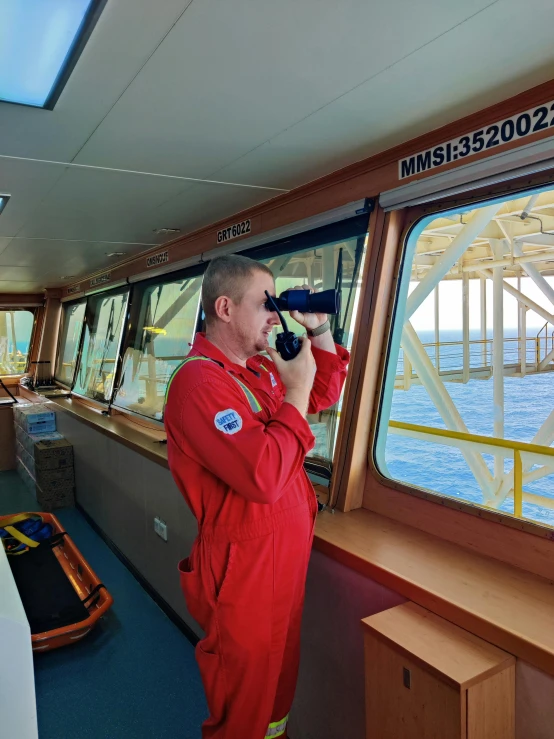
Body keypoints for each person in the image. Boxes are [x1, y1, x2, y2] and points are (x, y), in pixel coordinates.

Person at [164, 254, 349, 739]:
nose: (276, 314)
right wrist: (296, 390)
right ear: (224, 308)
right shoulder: (199, 383)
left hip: (280, 564)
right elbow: (264, 476)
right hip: (242, 572)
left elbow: (319, 395)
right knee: (243, 707)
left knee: (275, 699)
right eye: (266, 304)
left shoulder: (256, 371)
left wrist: (319, 334)